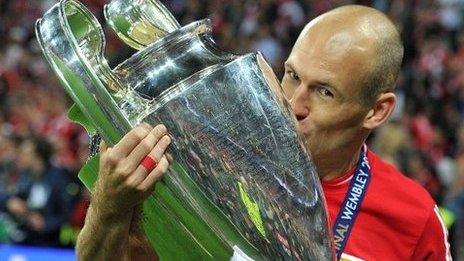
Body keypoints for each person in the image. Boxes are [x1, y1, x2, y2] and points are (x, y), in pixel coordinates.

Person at [76, 5, 451, 261]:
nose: (294, 104)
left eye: (325, 92)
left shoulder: (412, 218)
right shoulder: (195, 163)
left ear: (377, 111)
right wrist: (109, 208)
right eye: (292, 76)